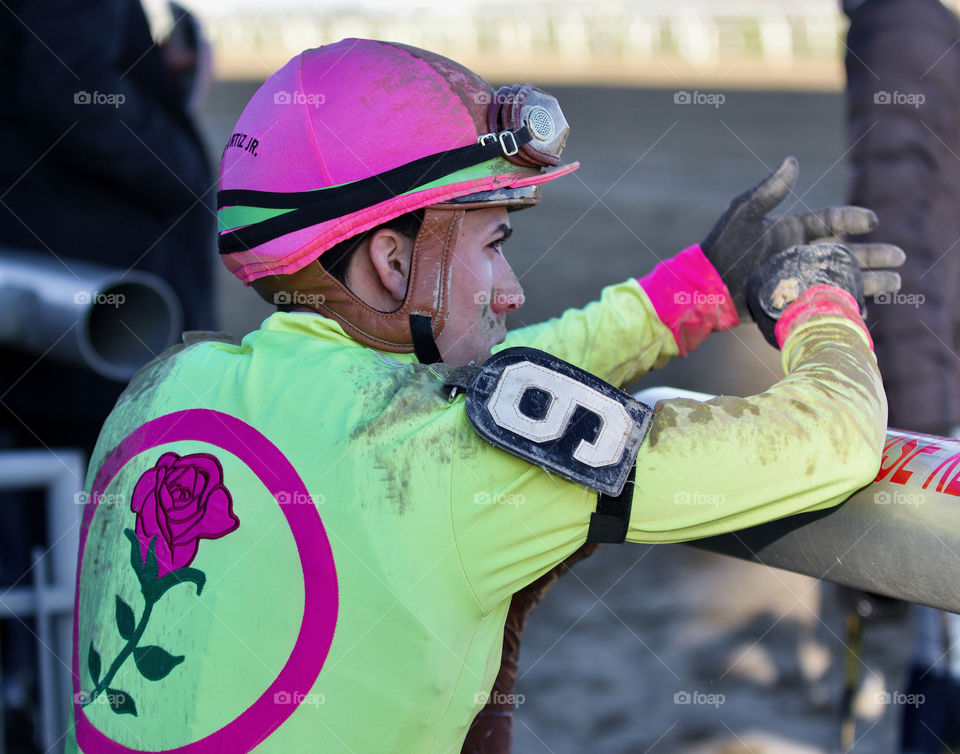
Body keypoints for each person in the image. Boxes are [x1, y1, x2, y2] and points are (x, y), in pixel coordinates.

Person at [66, 39, 903, 753]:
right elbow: (832, 439)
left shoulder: (162, 392)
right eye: (494, 243)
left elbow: (466, 393)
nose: (512, 290)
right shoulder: (456, 458)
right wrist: (817, 301)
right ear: (394, 260)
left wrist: (688, 294)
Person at [0, 1, 214, 749]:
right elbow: (70, 86)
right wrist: (182, 166)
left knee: (56, 540)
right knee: (107, 540)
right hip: (89, 305)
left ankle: (44, 701)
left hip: (55, 295)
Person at [844, 0, 960, 751]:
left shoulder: (909, 27)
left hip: (943, 394)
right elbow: (894, 226)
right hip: (944, 396)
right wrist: (926, 422)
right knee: (942, 654)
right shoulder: (907, 26)